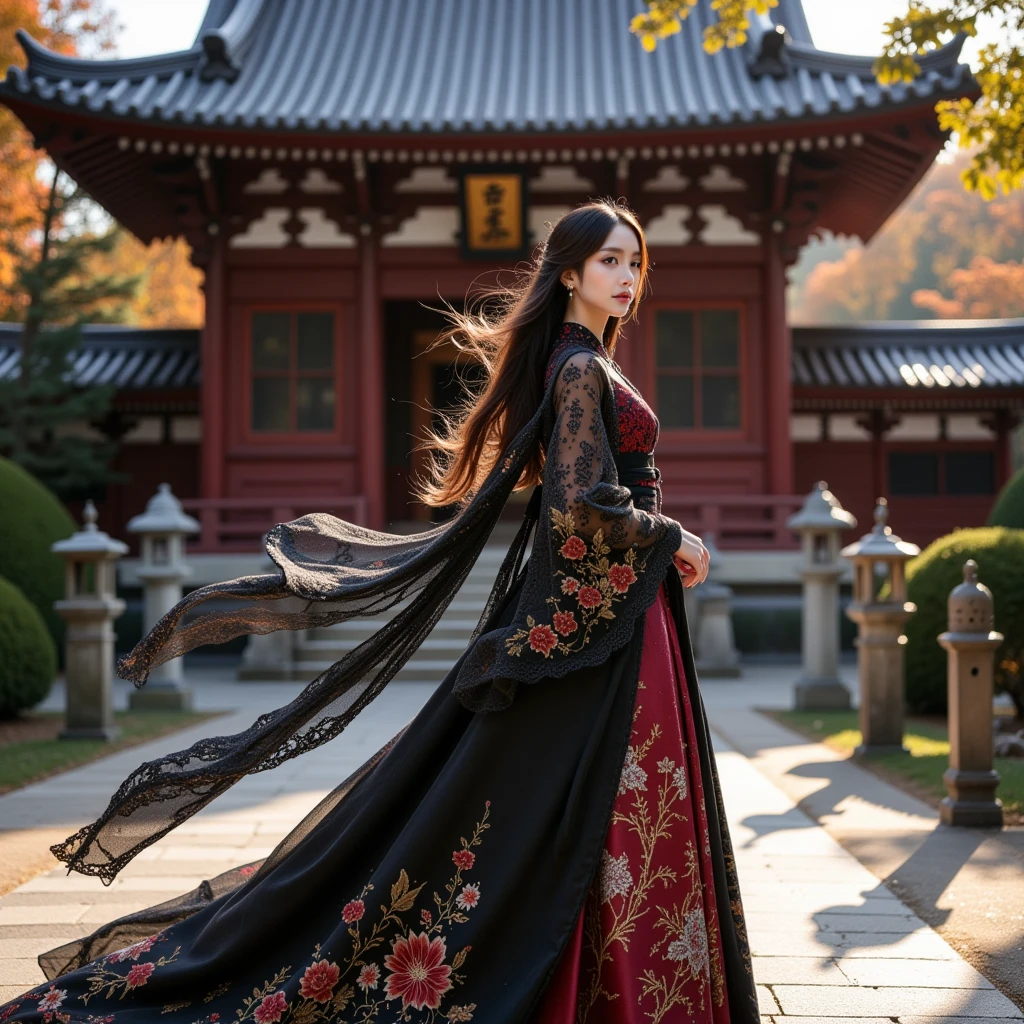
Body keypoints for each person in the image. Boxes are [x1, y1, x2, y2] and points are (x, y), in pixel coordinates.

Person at [0, 199, 758, 1023]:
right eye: (610, 261)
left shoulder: (586, 364)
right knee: (574, 788)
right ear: (569, 273)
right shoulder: (578, 369)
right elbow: (581, 506)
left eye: (635, 262)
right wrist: (672, 534)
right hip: (610, 607)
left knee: (582, 788)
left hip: (621, 605)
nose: (627, 277)